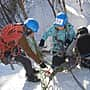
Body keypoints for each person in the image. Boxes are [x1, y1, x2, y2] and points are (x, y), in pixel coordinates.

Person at [0, 18, 47, 82]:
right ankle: (30, 77)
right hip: (4, 53)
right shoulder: (20, 36)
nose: (32, 35)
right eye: (32, 32)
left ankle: (29, 70)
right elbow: (29, 51)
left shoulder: (20, 27)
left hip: (8, 46)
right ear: (28, 30)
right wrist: (40, 62)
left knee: (24, 56)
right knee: (27, 61)